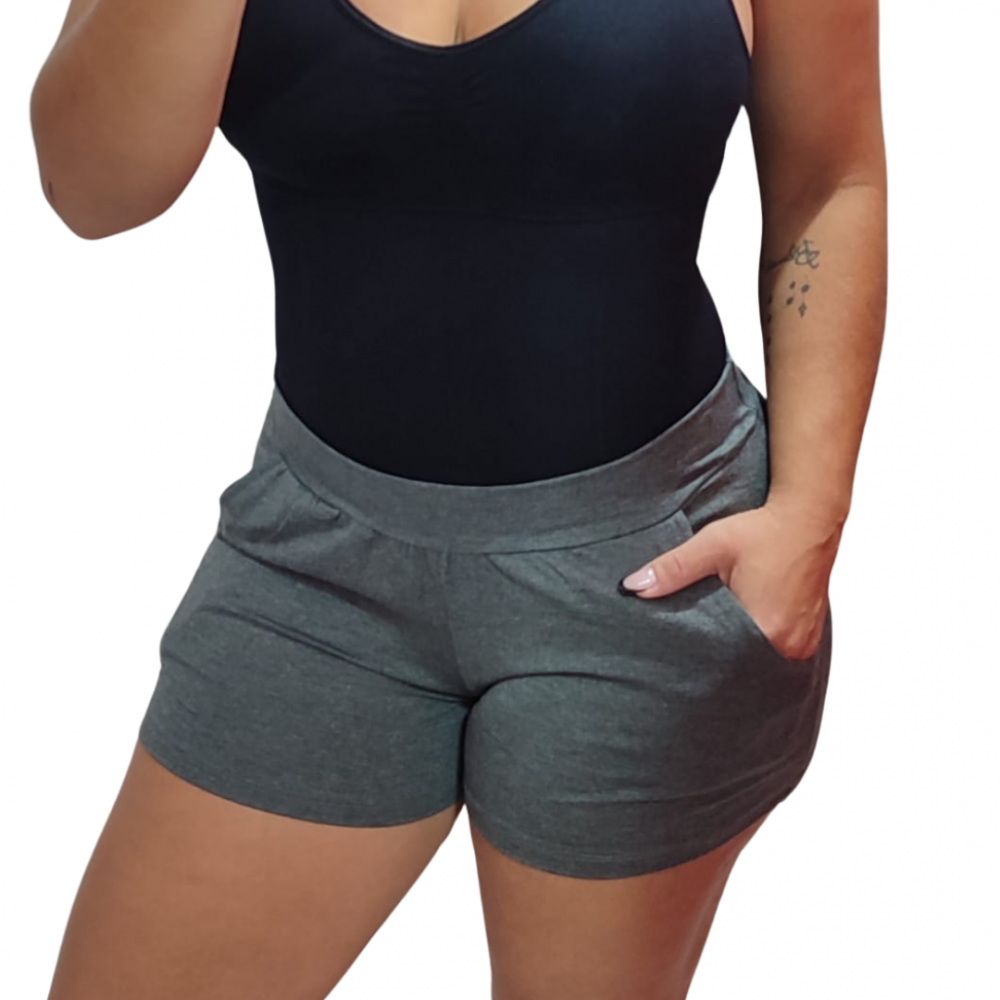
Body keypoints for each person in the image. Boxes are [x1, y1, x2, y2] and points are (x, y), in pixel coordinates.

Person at [30, 0, 887, 996]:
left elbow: (831, 178)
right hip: (316, 568)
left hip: (651, 570)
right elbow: (93, 190)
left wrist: (808, 517)